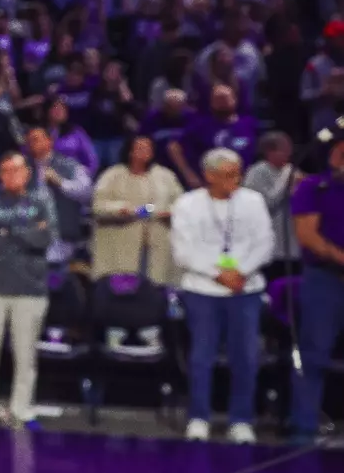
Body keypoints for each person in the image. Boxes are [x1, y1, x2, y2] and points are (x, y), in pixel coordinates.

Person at [170, 148, 274, 443]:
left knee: (246, 357)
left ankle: (241, 420)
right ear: (209, 175)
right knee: (201, 357)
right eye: (228, 175)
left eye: (238, 174)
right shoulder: (188, 204)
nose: (236, 181)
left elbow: (265, 243)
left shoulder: (253, 201)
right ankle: (199, 417)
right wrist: (218, 274)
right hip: (202, 290)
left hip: (245, 289)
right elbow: (183, 251)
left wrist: (242, 272)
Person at [0, 152, 57, 427]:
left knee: (26, 354)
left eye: (17, 170)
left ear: (28, 173)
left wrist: (8, 231)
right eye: (6, 170)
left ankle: (22, 409)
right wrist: (27, 230)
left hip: (30, 288)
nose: (12, 176)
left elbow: (44, 238)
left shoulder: (41, 203)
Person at [288, 133, 344, 442]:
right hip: (325, 278)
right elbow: (307, 235)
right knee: (314, 353)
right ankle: (304, 426)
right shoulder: (313, 187)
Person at [90, 135, 181, 283]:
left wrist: (170, 212)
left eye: (148, 148)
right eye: (140, 148)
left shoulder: (165, 176)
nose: (145, 152)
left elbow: (181, 204)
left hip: (157, 243)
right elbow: (98, 205)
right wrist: (121, 209)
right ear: (130, 151)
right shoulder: (113, 175)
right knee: (122, 285)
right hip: (121, 243)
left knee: (156, 283)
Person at [24, 126, 91, 265]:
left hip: (62, 236)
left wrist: (60, 182)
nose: (32, 144)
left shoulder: (70, 165)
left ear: (49, 141)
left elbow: (87, 193)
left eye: (36, 139)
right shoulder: (23, 169)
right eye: (29, 141)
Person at [242, 131, 301, 275]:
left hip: (292, 242)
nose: (289, 154)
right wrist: (287, 179)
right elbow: (264, 205)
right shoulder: (256, 173)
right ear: (269, 151)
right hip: (269, 244)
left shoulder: (291, 171)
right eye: (284, 150)